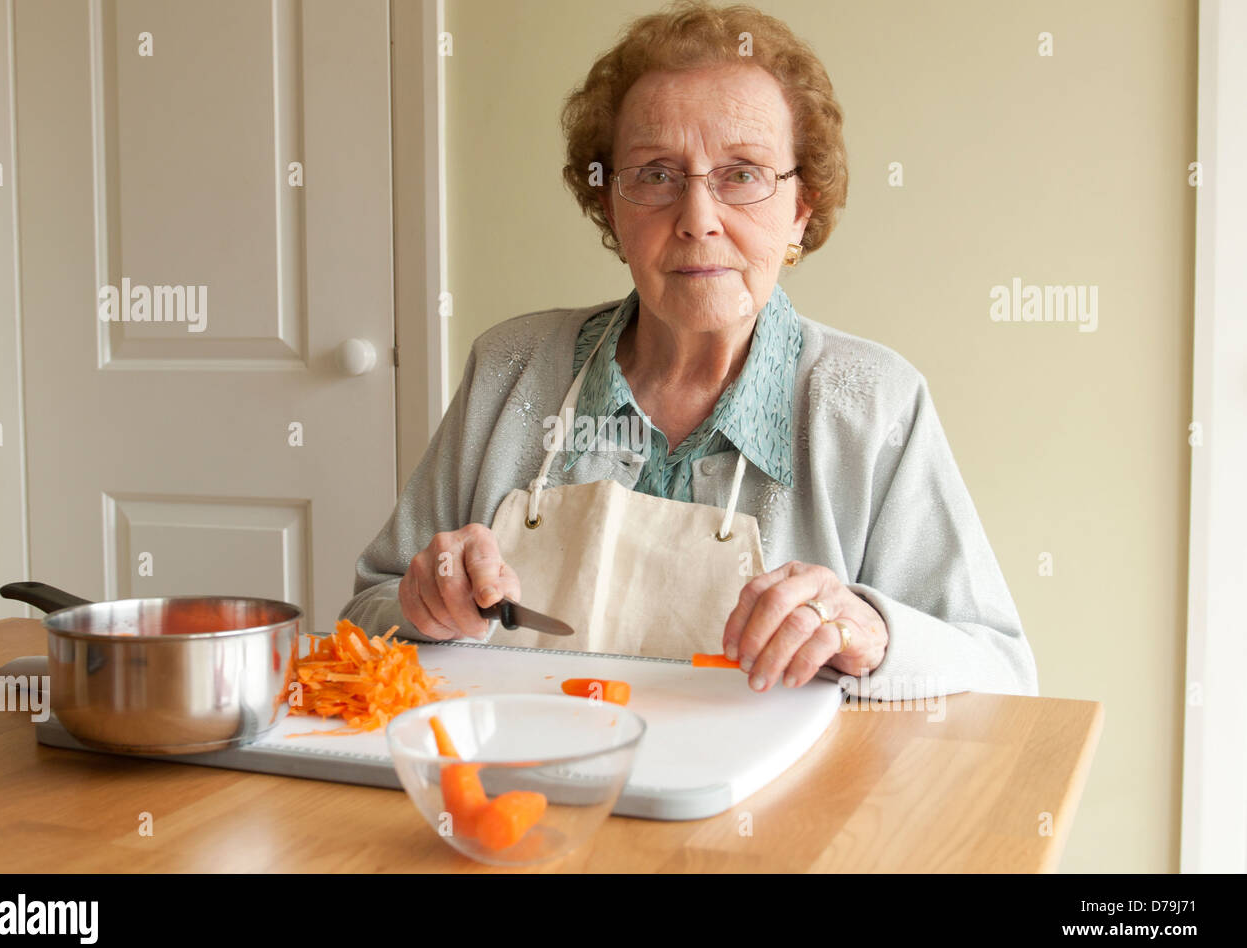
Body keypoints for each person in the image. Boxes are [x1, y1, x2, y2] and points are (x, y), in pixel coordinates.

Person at [340, 0, 1037, 699]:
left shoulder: (875, 401)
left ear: (801, 209)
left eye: (743, 174)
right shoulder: (509, 367)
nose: (698, 220)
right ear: (611, 206)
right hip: (531, 796)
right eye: (656, 175)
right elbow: (365, 616)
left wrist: (874, 633)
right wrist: (420, 606)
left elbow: (1004, 676)